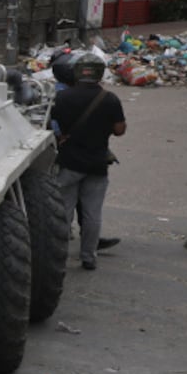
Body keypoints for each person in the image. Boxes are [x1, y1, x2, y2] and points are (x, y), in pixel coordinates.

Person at [48, 54, 126, 270]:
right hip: (97, 165)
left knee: (63, 212)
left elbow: (52, 126)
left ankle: (58, 258)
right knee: (93, 214)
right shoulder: (110, 99)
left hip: (69, 164)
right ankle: (88, 257)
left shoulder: (62, 98)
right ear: (100, 73)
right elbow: (120, 130)